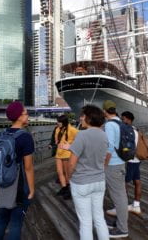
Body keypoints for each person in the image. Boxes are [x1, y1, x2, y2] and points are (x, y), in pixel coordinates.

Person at [61, 105, 109, 240]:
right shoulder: (104, 135)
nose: (80, 118)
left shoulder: (81, 135)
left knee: (86, 222)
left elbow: (71, 162)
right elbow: (103, 156)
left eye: (82, 116)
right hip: (99, 181)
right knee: (99, 218)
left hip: (82, 182)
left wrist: (69, 177)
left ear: (89, 118)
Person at [0, 101, 35, 240]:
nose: (28, 116)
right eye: (25, 113)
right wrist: (32, 190)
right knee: (16, 224)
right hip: (19, 186)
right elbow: (28, 168)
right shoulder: (25, 137)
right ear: (19, 117)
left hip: (1, 184)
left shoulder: (0, 135)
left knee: (1, 221)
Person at [107, 111, 142, 216]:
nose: (122, 121)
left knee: (123, 184)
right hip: (137, 159)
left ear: (127, 119)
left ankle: (121, 208)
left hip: (129, 160)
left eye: (123, 119)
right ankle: (136, 205)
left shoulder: (127, 130)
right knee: (137, 181)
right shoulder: (137, 130)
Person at [103, 100, 129, 238]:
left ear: (105, 111)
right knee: (120, 195)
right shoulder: (121, 123)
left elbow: (109, 148)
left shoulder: (109, 125)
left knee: (119, 197)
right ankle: (120, 222)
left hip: (113, 165)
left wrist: (104, 165)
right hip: (121, 163)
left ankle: (122, 228)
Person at [54, 114, 78, 199]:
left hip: (67, 154)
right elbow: (56, 141)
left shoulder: (72, 129)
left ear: (63, 122)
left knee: (67, 173)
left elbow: (79, 139)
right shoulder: (57, 129)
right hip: (59, 154)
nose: (57, 123)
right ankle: (64, 188)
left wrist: (71, 144)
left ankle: (69, 190)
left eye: (59, 122)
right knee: (59, 172)